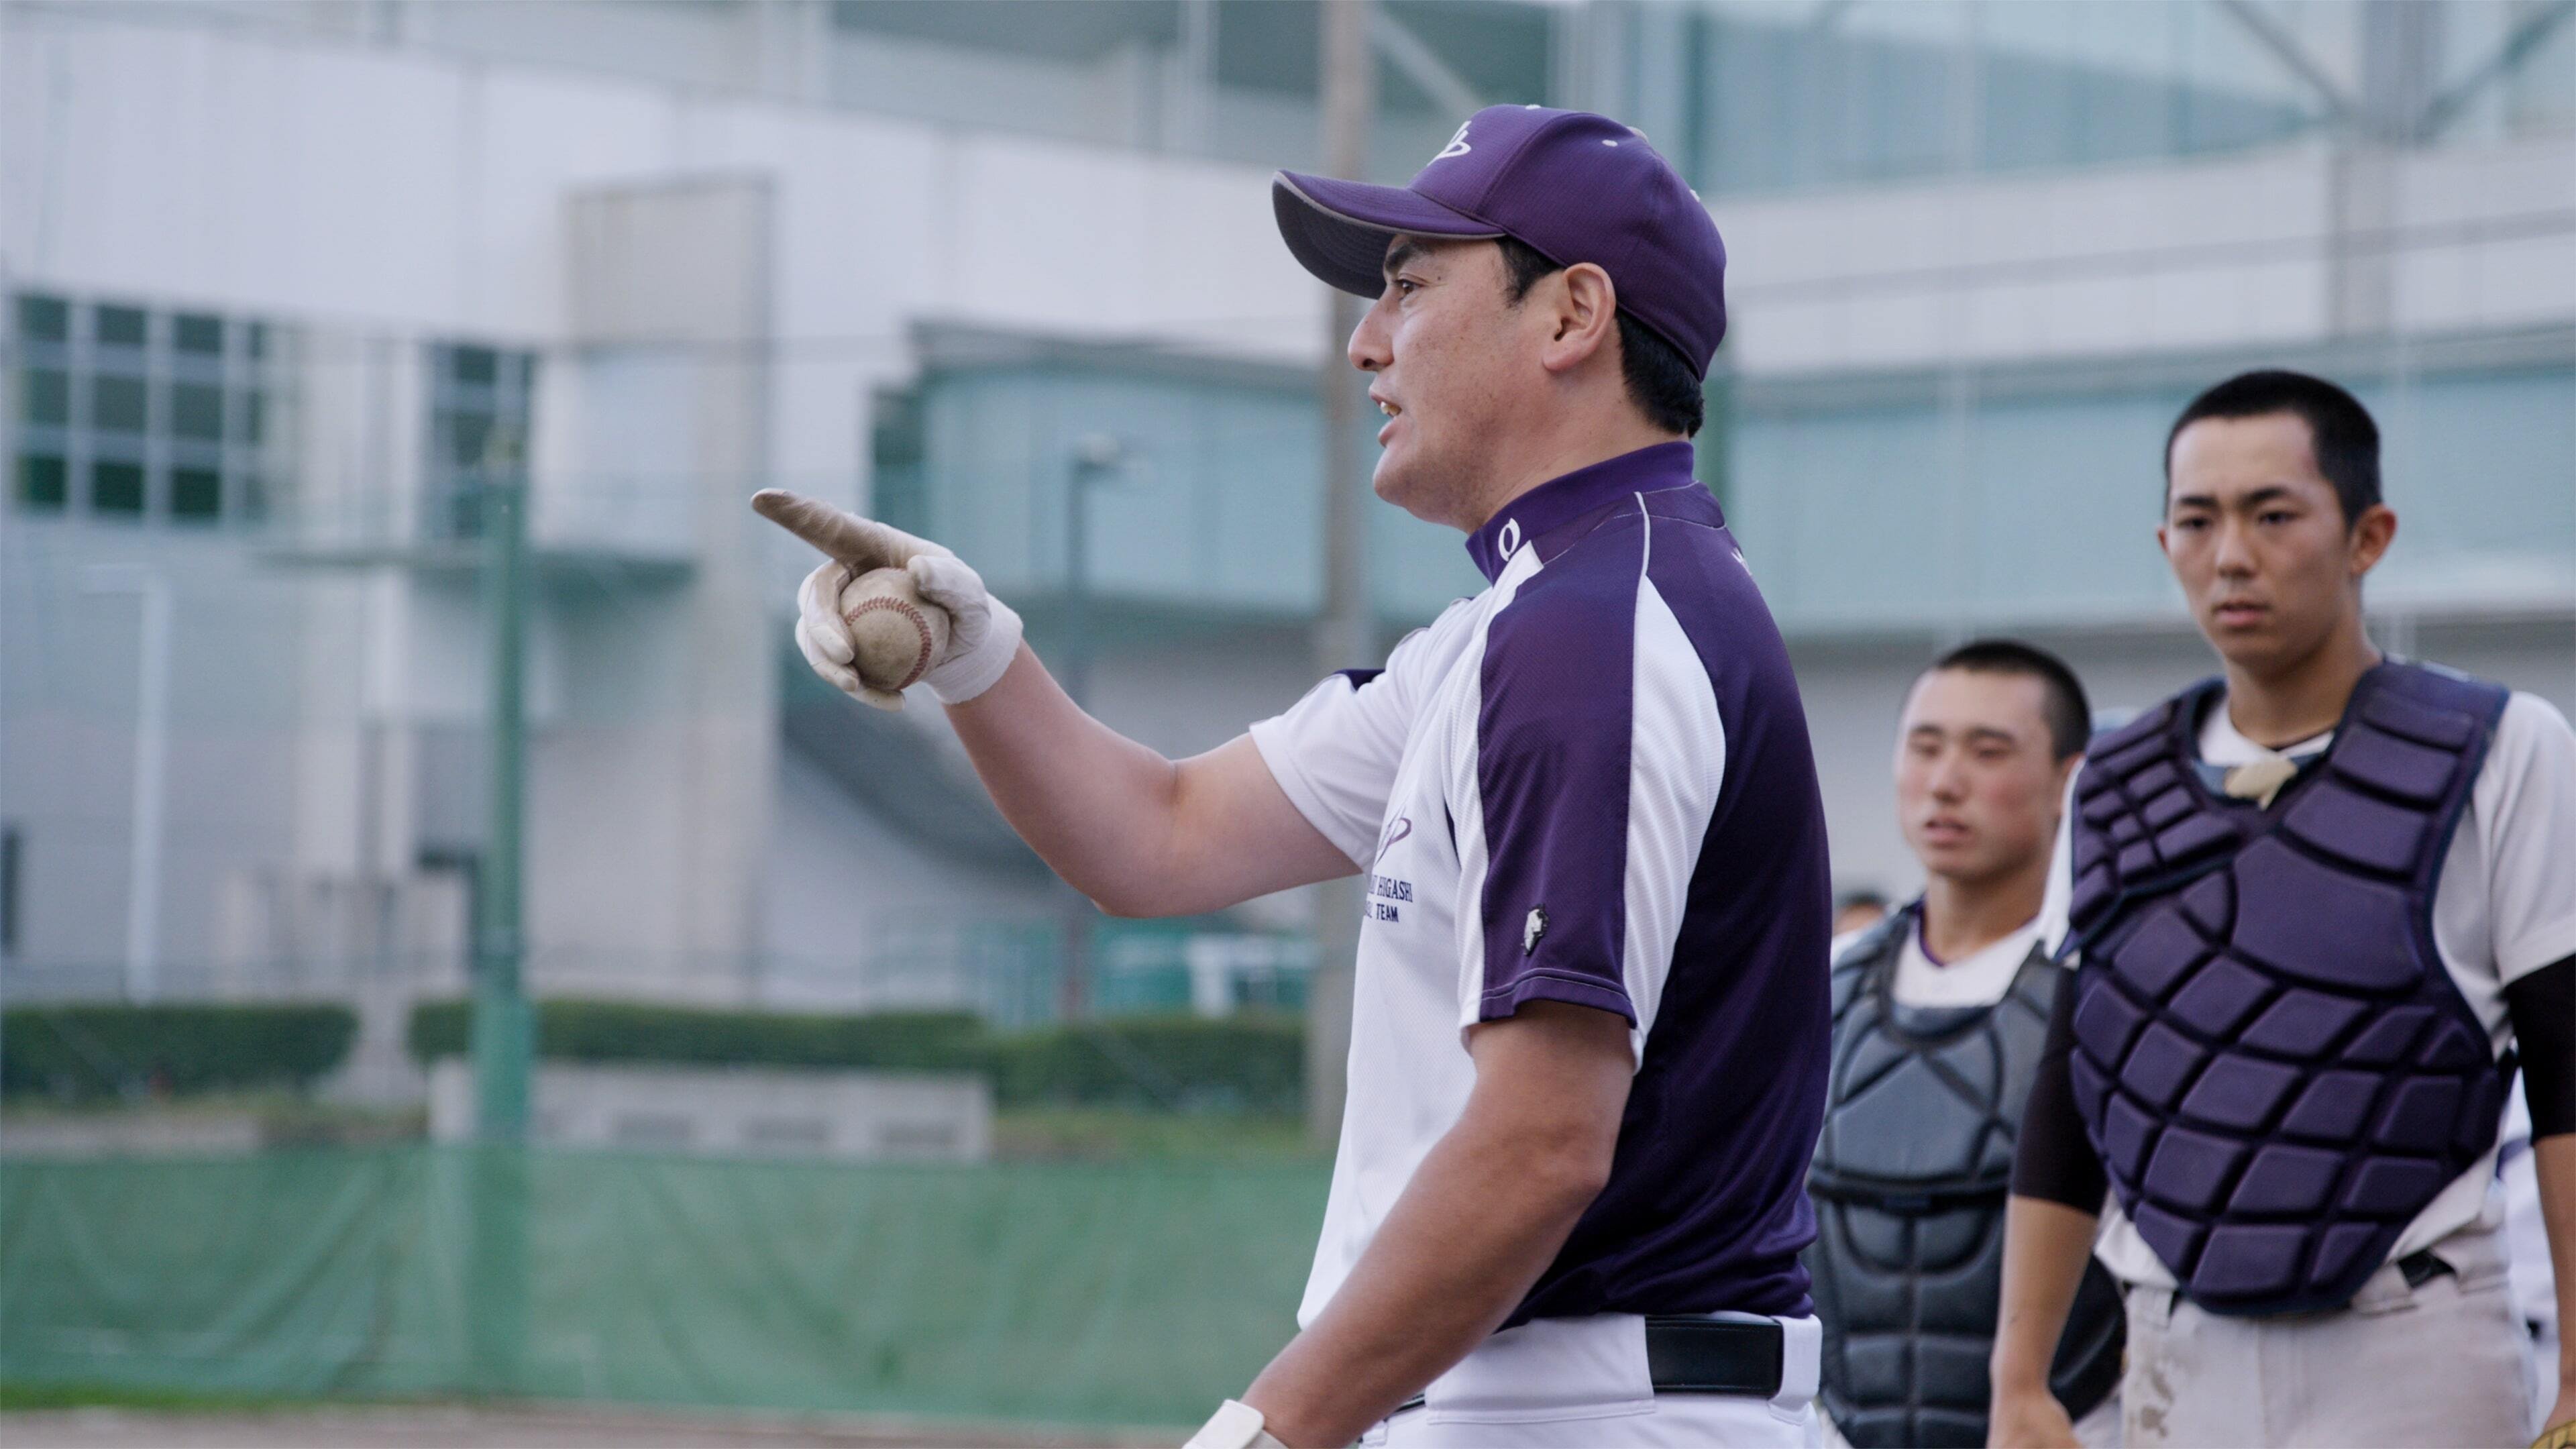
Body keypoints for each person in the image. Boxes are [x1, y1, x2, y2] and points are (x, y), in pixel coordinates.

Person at [761, 104, 1834, 1448]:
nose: (1365, 342)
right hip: (1556, 1397)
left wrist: (1269, 1433)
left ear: (1571, 317)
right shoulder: (1529, 625)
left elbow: (1544, 1143)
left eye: (1408, 287)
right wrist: (977, 654)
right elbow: (1160, 836)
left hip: (1591, 1406)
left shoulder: (1590, 630)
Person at [1987, 370, 2576, 1448]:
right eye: (2198, 521)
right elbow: (2076, 1088)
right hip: (2171, 1351)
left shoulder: (2504, 748)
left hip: (2412, 1338)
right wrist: (2018, 1377)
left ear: (2368, 535)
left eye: (2273, 515)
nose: (2232, 556)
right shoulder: (2113, 782)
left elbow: (2567, 1063)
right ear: (2163, 542)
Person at [1810, 641, 2123, 1448]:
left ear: (2068, 780)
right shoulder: (1821, 986)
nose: (1946, 782)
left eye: (1988, 753)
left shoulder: (2115, 992)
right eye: (1924, 747)